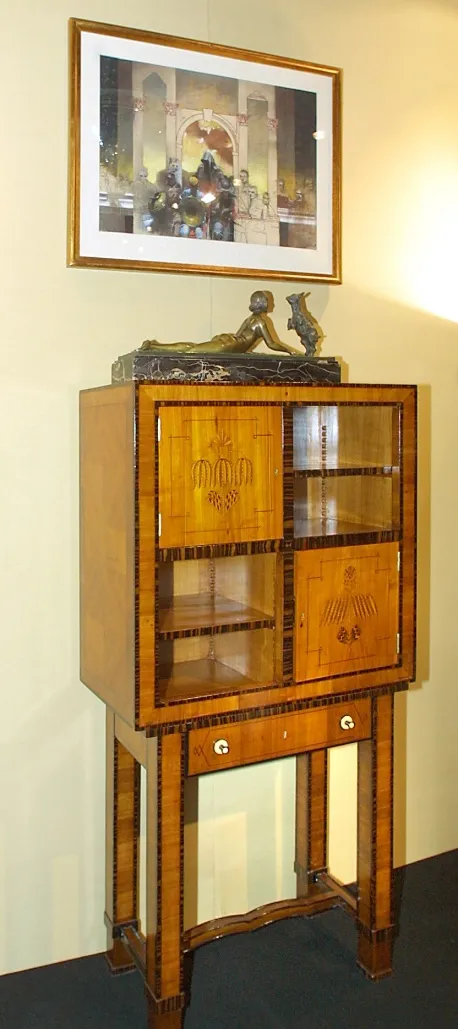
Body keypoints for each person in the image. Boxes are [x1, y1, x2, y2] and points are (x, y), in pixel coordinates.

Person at [140, 291, 297, 355]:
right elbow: (272, 344)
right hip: (228, 345)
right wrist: (289, 350)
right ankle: (154, 346)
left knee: (193, 347)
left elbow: (239, 336)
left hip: (228, 340)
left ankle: (155, 346)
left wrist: (246, 352)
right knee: (191, 350)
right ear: (263, 304)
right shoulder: (260, 322)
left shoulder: (250, 319)